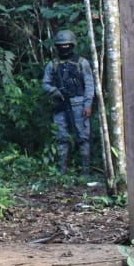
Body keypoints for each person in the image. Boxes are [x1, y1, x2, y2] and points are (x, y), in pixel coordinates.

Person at [40, 30, 94, 174]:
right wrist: (54, 91)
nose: (64, 48)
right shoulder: (52, 65)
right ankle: (62, 171)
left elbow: (89, 85)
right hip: (60, 105)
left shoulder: (82, 63)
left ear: (72, 45)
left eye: (66, 45)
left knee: (83, 138)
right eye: (61, 45)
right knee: (61, 138)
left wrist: (88, 105)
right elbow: (45, 84)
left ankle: (85, 171)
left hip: (79, 105)